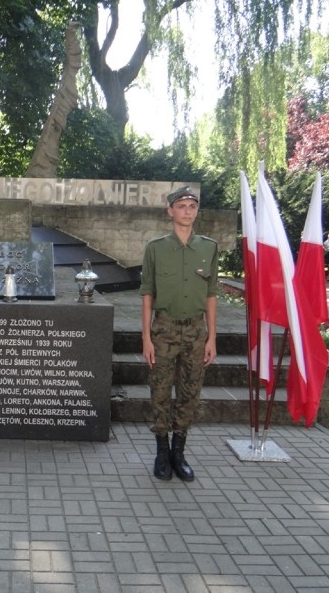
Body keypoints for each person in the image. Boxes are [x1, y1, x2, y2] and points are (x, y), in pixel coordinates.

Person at [140, 185, 218, 482]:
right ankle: (161, 450)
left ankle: (179, 451)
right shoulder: (155, 248)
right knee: (160, 390)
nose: (187, 211)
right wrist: (146, 338)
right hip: (164, 329)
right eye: (181, 206)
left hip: (196, 331)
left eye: (192, 206)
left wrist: (212, 337)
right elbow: (147, 294)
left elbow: (211, 295)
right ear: (170, 211)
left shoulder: (208, 247)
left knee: (190, 393)